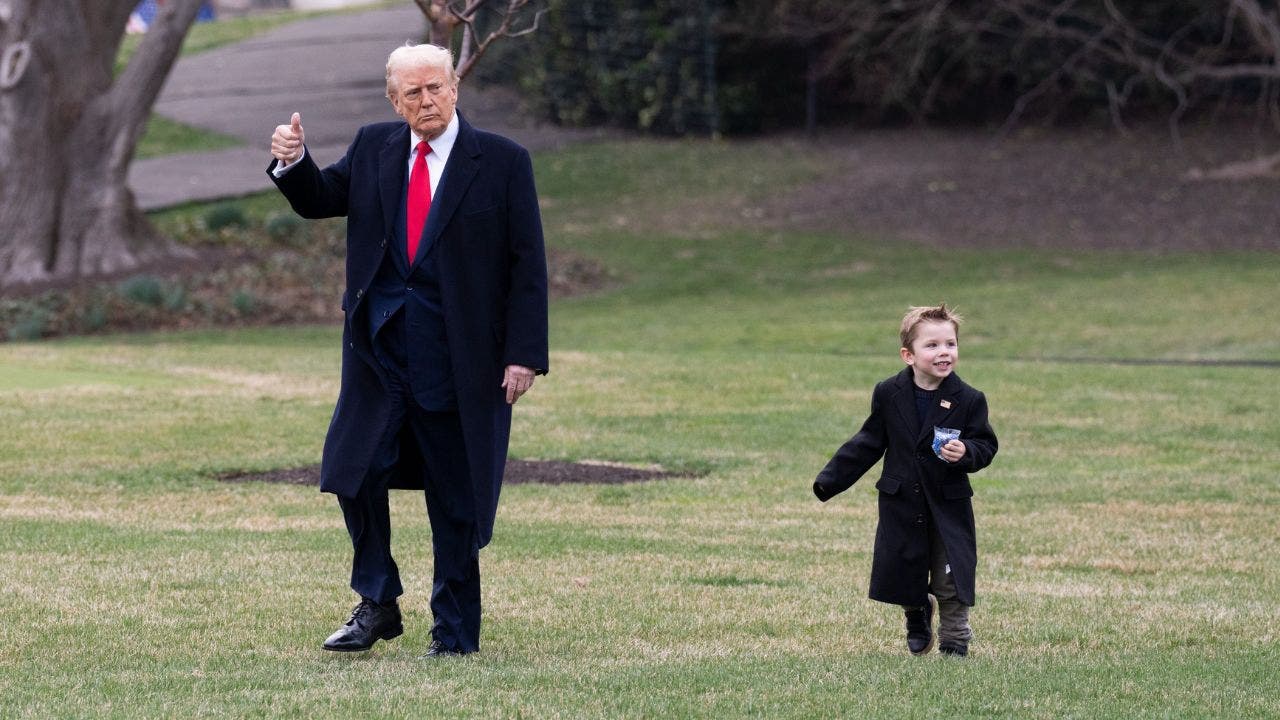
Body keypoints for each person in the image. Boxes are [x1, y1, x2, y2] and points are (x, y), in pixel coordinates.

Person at [267, 43, 548, 657]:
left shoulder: (501, 162)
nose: (428, 101)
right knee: (351, 470)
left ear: (455, 89)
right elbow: (320, 198)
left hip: (460, 358)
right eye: (414, 93)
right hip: (379, 351)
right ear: (395, 101)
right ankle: (378, 601)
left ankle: (454, 634)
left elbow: (528, 265)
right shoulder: (375, 148)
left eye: (437, 88)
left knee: (455, 498)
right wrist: (293, 163)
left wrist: (522, 354)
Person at [813, 304, 997, 657]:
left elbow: (986, 444)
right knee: (904, 565)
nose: (944, 352)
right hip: (901, 500)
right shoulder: (888, 393)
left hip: (947, 503)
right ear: (908, 355)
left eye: (950, 344)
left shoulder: (970, 399)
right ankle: (916, 615)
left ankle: (955, 638)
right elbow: (869, 441)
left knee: (950, 573)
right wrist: (830, 480)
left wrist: (968, 452)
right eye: (932, 345)